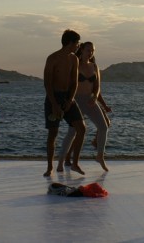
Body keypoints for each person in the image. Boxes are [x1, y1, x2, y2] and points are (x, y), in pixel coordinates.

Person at [60, 41, 112, 172]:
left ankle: (100, 156)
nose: (90, 53)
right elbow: (66, 84)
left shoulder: (94, 66)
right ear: (82, 50)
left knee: (103, 127)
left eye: (92, 51)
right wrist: (64, 102)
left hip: (89, 101)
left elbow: (97, 87)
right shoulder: (75, 64)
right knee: (72, 131)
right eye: (88, 50)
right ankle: (61, 161)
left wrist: (96, 98)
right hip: (76, 101)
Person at [44, 29, 86, 177]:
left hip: (68, 96)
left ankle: (74, 163)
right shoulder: (52, 58)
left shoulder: (74, 59)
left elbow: (74, 82)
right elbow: (47, 83)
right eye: (77, 43)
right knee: (53, 133)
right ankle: (50, 167)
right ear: (70, 43)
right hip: (53, 97)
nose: (78, 46)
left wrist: (70, 100)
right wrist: (54, 104)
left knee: (81, 128)